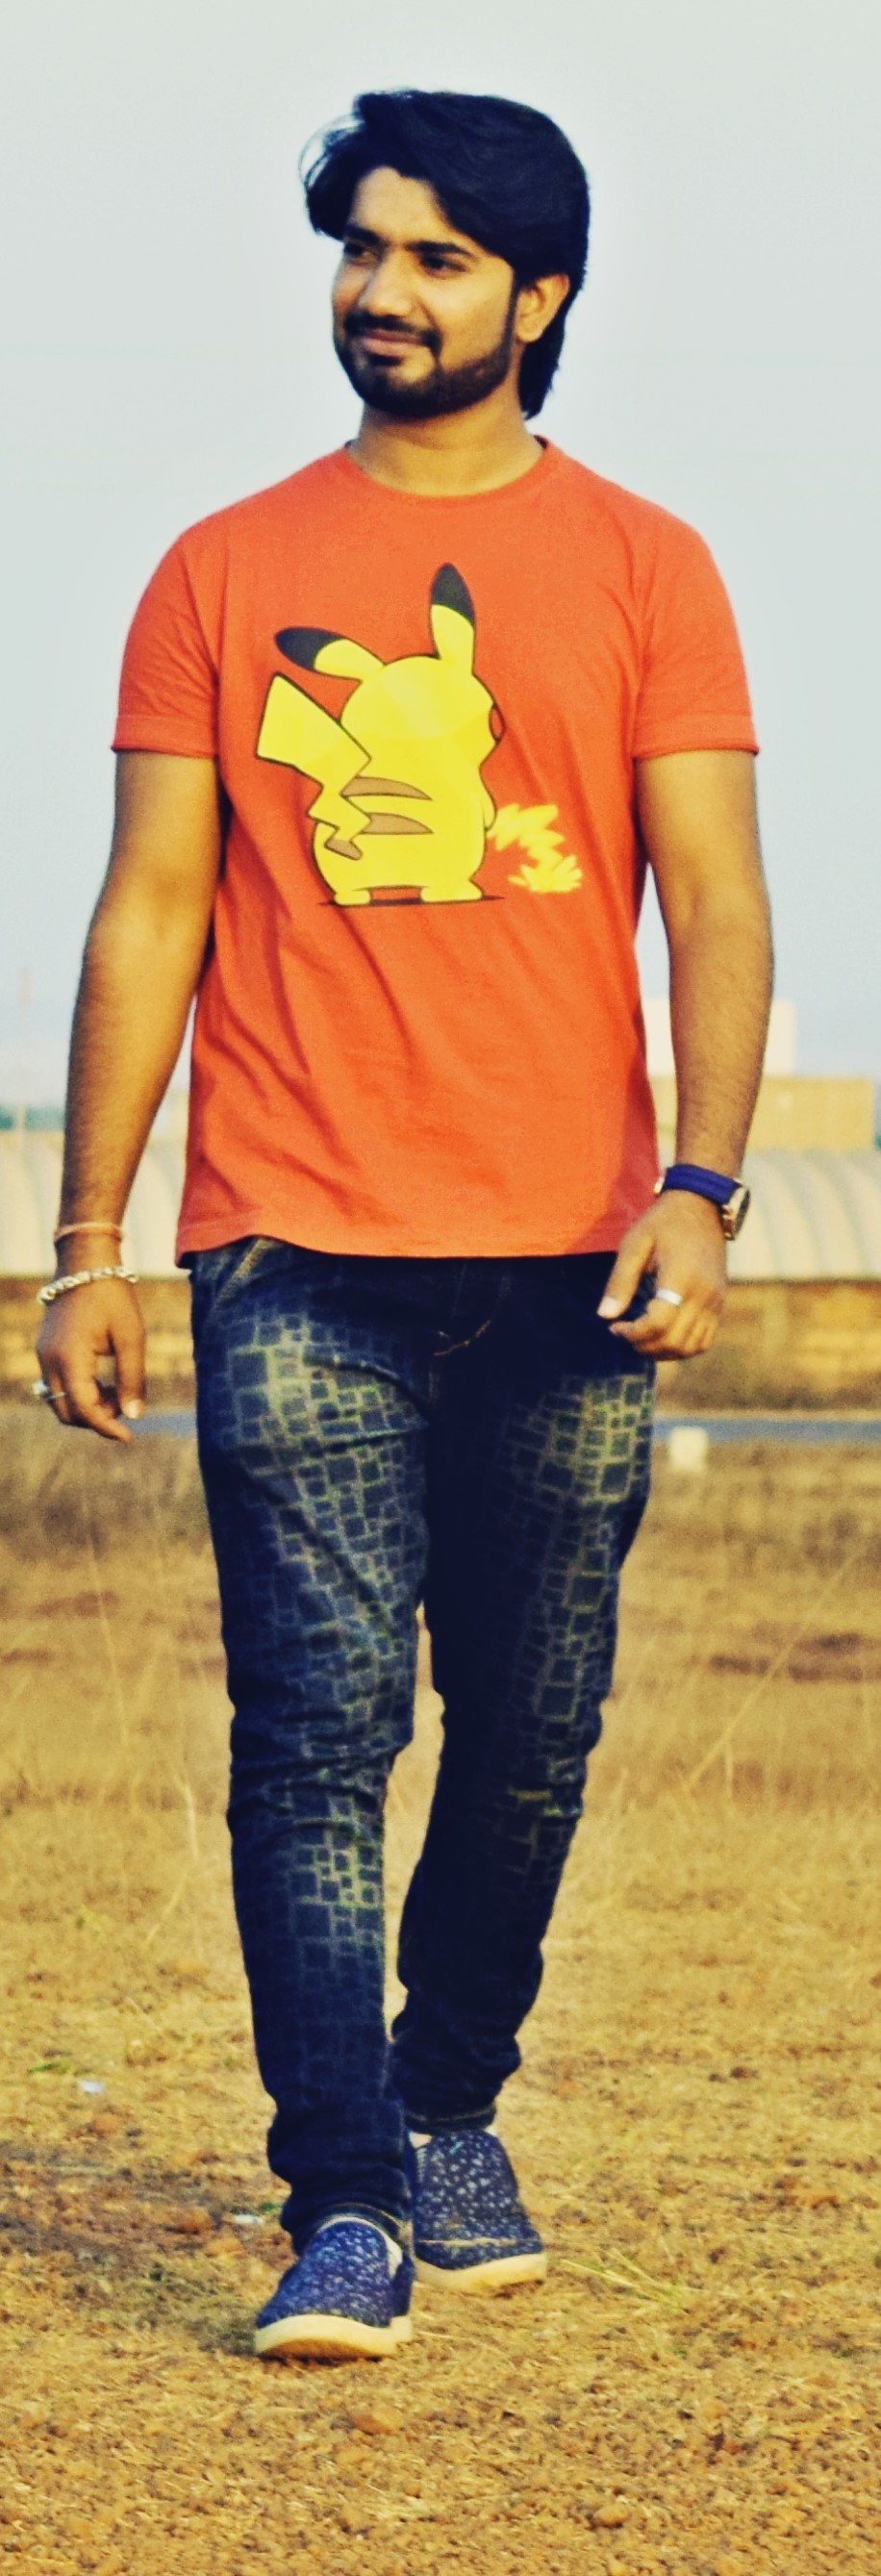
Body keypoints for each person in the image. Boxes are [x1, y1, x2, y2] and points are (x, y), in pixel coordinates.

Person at [37, 88, 772, 2364]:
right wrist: (89, 1236)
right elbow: (151, 909)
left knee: (530, 1729)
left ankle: (448, 2095)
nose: (382, 289)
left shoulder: (644, 566)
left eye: (437, 256)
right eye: (363, 247)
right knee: (312, 1731)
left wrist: (699, 1185)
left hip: (571, 1259)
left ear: (535, 296)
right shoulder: (217, 571)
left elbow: (711, 903)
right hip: (292, 1248)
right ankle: (343, 2191)